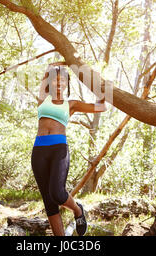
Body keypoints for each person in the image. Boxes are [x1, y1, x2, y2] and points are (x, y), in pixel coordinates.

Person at [31, 61, 107, 236]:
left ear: (67, 84)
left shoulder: (71, 104)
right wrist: (54, 64)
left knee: (57, 193)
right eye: (56, 80)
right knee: (49, 203)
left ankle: (78, 210)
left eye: (63, 80)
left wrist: (101, 85)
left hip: (59, 149)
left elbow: (101, 106)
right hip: (39, 151)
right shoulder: (43, 98)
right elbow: (46, 73)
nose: (59, 83)